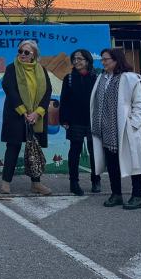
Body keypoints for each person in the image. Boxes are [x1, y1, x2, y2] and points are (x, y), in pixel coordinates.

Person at [91, 48, 141, 210]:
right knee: (112, 163)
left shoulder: (129, 78)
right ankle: (116, 194)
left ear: (116, 60)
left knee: (134, 162)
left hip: (125, 129)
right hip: (106, 129)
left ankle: (137, 196)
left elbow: (139, 104)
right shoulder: (102, 78)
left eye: (106, 59)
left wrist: (133, 124)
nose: (103, 62)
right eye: (102, 59)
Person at [0, 40, 52, 196]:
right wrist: (24, 112)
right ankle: (5, 183)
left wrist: (37, 113)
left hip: (36, 116)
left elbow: (47, 91)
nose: (22, 54)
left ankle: (36, 184)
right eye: (20, 51)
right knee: (13, 148)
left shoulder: (42, 70)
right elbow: (10, 89)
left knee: (34, 148)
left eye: (26, 52)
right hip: (16, 114)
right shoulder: (11, 68)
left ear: (34, 55)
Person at [59, 49, 100, 196]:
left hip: (92, 121)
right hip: (74, 121)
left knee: (94, 151)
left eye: (80, 59)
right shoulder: (69, 78)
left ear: (87, 61)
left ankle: (96, 180)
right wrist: (63, 119)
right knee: (74, 152)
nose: (76, 62)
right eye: (74, 59)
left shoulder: (97, 77)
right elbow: (64, 101)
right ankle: (74, 182)